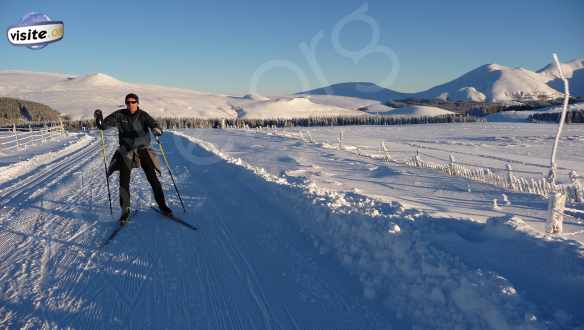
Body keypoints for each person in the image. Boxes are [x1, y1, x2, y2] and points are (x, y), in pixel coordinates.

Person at [94, 93, 173, 223]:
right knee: (123, 181)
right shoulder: (119, 115)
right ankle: (125, 211)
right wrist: (99, 119)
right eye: (128, 102)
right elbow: (104, 126)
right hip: (126, 150)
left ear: (137, 103)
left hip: (143, 149)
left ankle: (163, 206)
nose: (130, 104)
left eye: (133, 102)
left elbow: (154, 125)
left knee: (152, 178)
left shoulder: (143, 115)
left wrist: (156, 130)